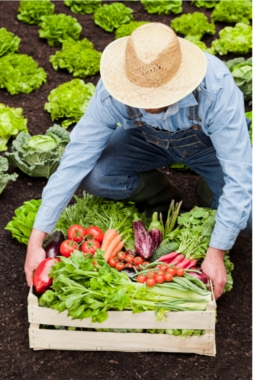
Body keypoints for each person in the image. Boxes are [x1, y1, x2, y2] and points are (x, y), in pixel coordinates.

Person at [24, 23, 252, 300]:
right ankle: (164, 195)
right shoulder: (112, 89)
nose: (149, 104)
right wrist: (36, 240)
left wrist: (216, 253)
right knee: (97, 176)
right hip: (147, 142)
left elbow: (241, 176)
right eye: (140, 96)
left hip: (208, 149)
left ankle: (208, 190)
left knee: (246, 215)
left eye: (158, 96)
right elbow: (77, 157)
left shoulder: (215, 88)